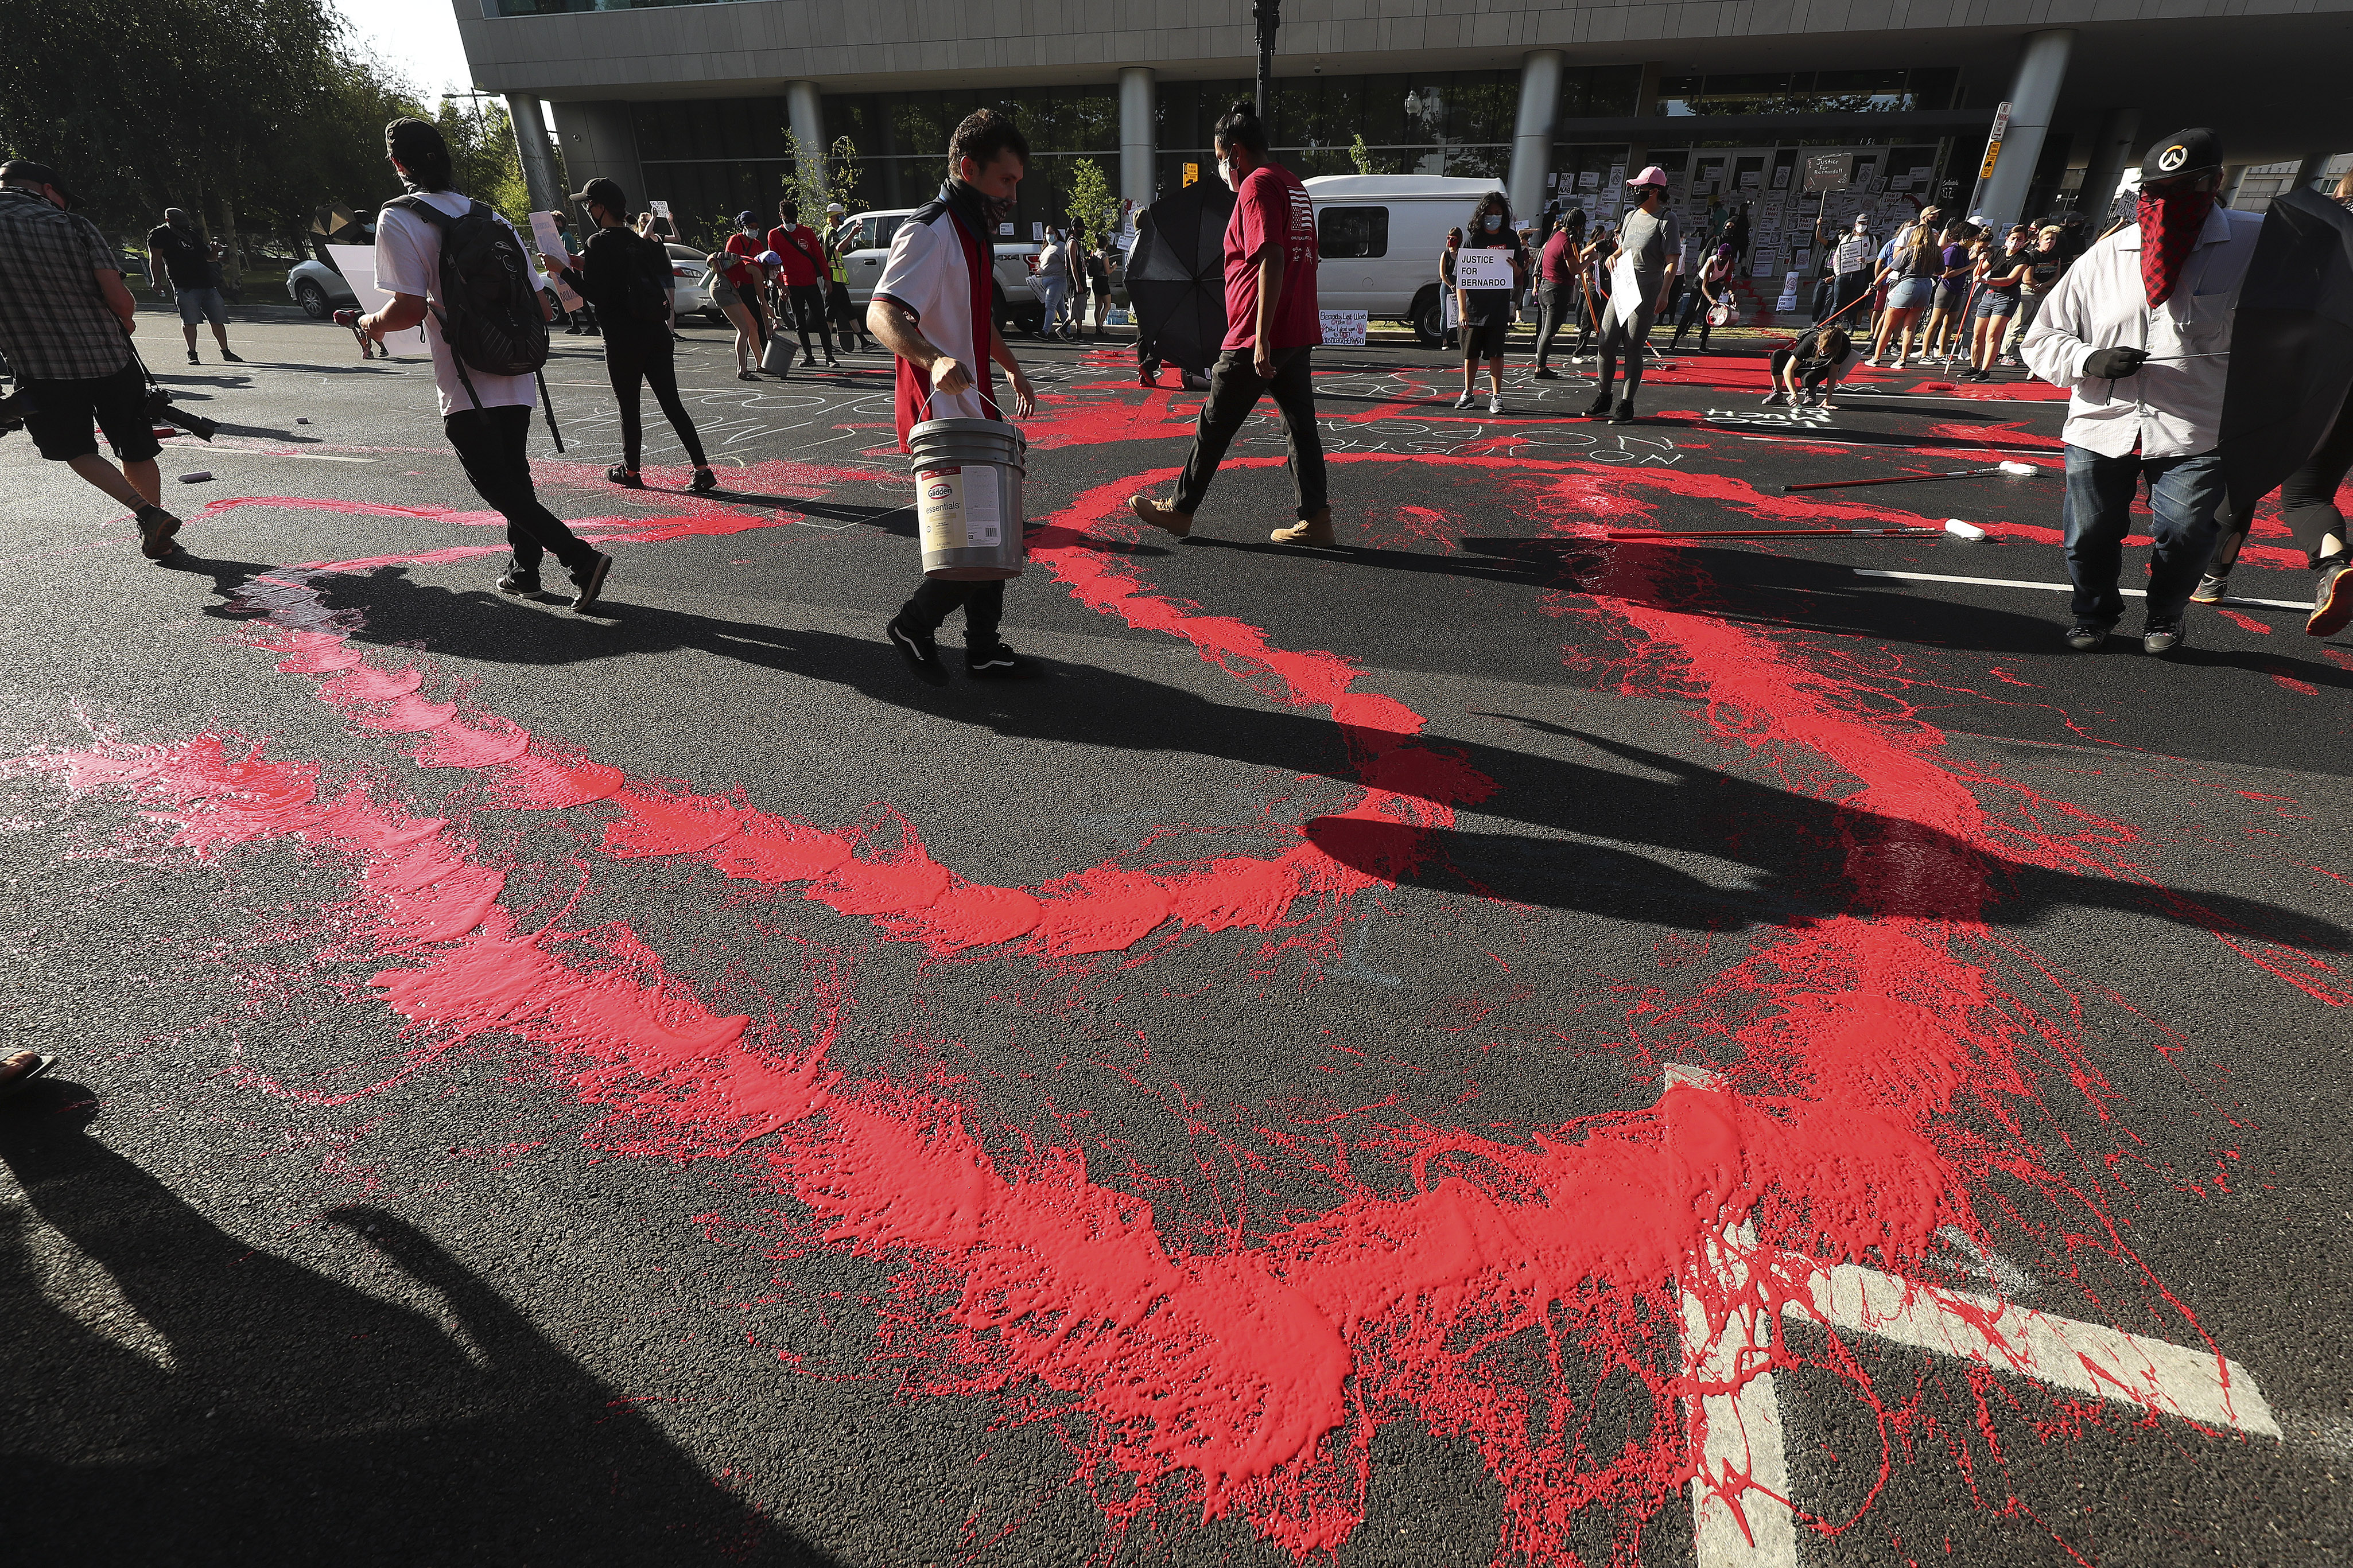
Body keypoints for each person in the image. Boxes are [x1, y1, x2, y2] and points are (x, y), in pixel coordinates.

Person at [2021, 127, 2262, 657]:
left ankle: (2166, 611)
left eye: (2186, 190)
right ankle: (2094, 612)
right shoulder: (2105, 257)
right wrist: (2088, 358)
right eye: (2156, 193)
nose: (2167, 205)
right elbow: (2039, 340)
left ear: (2216, 182)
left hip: (2195, 427)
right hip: (2100, 422)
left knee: (2186, 534)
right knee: (2088, 535)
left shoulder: (2256, 242)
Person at [360, 117, 612, 612]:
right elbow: (543, 306)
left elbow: (409, 308)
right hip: (516, 364)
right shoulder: (491, 216)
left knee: (494, 483)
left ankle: (579, 557)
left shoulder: (400, 217)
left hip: (465, 371)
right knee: (515, 476)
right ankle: (525, 570)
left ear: (398, 164)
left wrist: (373, 323)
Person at [865, 108, 1040, 682]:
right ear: (969, 168)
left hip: (974, 407)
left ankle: (983, 646)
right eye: (1005, 180)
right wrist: (933, 358)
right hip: (941, 415)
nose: (1013, 194)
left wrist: (1012, 370)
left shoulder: (973, 232)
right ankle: (913, 623)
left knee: (993, 531)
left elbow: (977, 315)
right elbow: (881, 312)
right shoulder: (931, 229)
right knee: (973, 543)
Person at [1127, 100, 1332, 547]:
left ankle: (1180, 511)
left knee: (1214, 422)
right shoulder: (1291, 184)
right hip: (1295, 329)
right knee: (1300, 425)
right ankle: (1317, 519)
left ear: (1235, 152)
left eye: (1220, 158)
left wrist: (1260, 337)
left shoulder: (1256, 187)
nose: (1221, 168)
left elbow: (1272, 257)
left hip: (1258, 332)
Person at [0, 158, 187, 559]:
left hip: (40, 366)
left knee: (77, 449)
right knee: (135, 445)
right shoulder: (75, 226)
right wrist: (124, 319)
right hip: (110, 357)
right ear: (49, 189)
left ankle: (147, 514)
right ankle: (158, 531)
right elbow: (121, 301)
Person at [541, 177, 719, 495]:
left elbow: (596, 293)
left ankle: (632, 470)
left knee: (629, 405)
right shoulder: (641, 241)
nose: (587, 208)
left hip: (623, 338)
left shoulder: (598, 242)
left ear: (601, 207)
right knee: (672, 403)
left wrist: (562, 268)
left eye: (589, 203)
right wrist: (578, 263)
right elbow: (619, 273)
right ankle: (702, 468)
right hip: (655, 331)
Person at [1585, 166, 1680, 424]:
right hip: (1624, 285)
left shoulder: (1666, 220)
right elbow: (1622, 249)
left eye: (1640, 188)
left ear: (1654, 191)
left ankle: (1626, 403)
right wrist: (1612, 258)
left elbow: (1672, 261)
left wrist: (1665, 292)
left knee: (1633, 346)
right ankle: (1605, 396)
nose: (1636, 192)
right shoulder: (1630, 216)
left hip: (1649, 289)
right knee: (1605, 341)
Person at [1452, 190, 1527, 415]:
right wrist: (1462, 311)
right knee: (1470, 354)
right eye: (1490, 213)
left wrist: (1515, 269)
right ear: (1482, 214)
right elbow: (1462, 278)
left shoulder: (1511, 238)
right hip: (1475, 308)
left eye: (1498, 213)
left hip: (1498, 307)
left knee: (1497, 353)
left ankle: (1497, 397)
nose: (1493, 217)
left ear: (1503, 215)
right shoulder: (1473, 239)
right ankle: (1468, 393)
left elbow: (1519, 273)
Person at [145, 207, 239, 365]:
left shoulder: (192, 235)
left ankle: (226, 352)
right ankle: (192, 354)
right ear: (169, 221)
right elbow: (155, 260)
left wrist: (215, 250)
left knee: (218, 320)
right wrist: (157, 281)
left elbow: (209, 258)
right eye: (180, 223)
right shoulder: (159, 235)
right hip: (184, 285)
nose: (184, 226)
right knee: (190, 321)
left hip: (206, 284)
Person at [1865, 207, 1942, 367]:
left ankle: (1876, 358)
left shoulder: (1910, 251)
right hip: (1926, 286)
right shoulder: (1936, 251)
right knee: (1910, 328)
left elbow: (1888, 269)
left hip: (1909, 284)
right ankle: (1902, 360)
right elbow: (1940, 271)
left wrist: (1874, 284)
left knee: (1888, 324)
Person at [767, 200, 835, 368]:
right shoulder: (774, 235)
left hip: (811, 283)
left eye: (792, 218)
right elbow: (775, 263)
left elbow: (819, 256)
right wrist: (781, 287)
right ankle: (809, 356)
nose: (790, 222)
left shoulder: (807, 232)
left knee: (821, 320)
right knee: (800, 323)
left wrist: (827, 279)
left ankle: (829, 356)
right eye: (786, 218)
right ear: (780, 216)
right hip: (792, 284)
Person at [705, 211, 767, 380]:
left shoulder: (757, 254)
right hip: (723, 286)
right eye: (751, 227)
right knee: (744, 328)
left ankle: (761, 364)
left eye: (756, 227)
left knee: (753, 325)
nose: (754, 230)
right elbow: (731, 267)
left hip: (734, 287)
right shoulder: (751, 263)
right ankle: (742, 369)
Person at [1962, 228, 2030, 382]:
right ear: (2007, 238)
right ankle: (1974, 367)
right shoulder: (1998, 253)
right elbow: (1978, 274)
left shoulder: (2024, 258)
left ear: (2024, 241)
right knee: (1978, 333)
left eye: (2020, 239)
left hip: (2006, 297)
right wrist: (1980, 262)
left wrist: (1986, 281)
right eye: (2013, 238)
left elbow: (2010, 280)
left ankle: (1985, 371)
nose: (2015, 242)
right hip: (1989, 295)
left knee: (1992, 335)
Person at [2003, 224, 2066, 366]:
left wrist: (2045, 287)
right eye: (2047, 239)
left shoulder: (2056, 256)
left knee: (2036, 325)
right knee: (2017, 323)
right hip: (2027, 292)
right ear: (2040, 240)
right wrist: (2039, 287)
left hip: (2043, 293)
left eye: (2053, 239)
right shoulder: (2032, 255)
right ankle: (2006, 354)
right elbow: (2027, 278)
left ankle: (2030, 354)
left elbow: (2057, 275)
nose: (2050, 242)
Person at [1531, 211, 1582, 378]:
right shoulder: (1566, 242)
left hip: (1547, 287)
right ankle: (1541, 367)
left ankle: (1541, 363)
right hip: (1557, 289)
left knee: (1546, 329)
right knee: (1550, 331)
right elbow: (1574, 269)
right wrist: (1589, 261)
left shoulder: (1554, 237)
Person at [1761, 323, 1855, 410]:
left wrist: (1828, 398)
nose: (1822, 352)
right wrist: (1794, 394)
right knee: (1778, 355)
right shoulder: (1810, 342)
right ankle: (1777, 393)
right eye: (1821, 349)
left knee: (1809, 379)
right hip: (1803, 363)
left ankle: (1810, 391)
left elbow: (1833, 372)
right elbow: (1788, 370)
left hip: (1821, 367)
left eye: (1827, 351)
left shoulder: (1844, 346)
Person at [822, 203, 871, 353]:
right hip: (834, 278)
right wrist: (853, 233)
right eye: (840, 215)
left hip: (837, 279)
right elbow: (839, 248)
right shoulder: (831, 232)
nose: (843, 217)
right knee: (830, 313)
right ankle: (827, 346)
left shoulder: (827, 231)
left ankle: (864, 343)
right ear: (834, 217)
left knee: (849, 311)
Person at [1671, 242, 1734, 352]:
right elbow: (1704, 287)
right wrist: (1711, 298)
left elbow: (1727, 281)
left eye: (1724, 259)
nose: (1721, 261)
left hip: (1715, 283)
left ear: (1728, 257)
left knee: (1709, 313)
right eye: (1720, 258)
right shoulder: (1711, 262)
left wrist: (1731, 294)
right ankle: (1674, 342)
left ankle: (1703, 345)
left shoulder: (1731, 263)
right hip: (1700, 283)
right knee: (1691, 310)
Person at [1820, 212, 1877, 324]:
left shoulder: (1870, 239)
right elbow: (1838, 256)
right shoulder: (1847, 238)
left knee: (1854, 302)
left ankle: (1852, 327)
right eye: (1861, 223)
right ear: (1856, 224)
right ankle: (1830, 324)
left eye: (1865, 223)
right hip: (1843, 274)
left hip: (1859, 273)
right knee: (1838, 302)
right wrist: (1837, 273)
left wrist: (1866, 259)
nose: (1862, 225)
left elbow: (1874, 255)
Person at [1437, 227, 1462, 350]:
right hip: (1447, 286)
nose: (1450, 241)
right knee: (1445, 313)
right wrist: (1450, 285)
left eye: (1453, 239)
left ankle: (1460, 339)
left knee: (1460, 312)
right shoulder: (1445, 254)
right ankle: (1444, 341)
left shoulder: (1462, 254)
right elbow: (1442, 274)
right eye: (1449, 238)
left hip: (1459, 286)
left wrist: (1458, 286)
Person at [1084, 236, 1112, 337]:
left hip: (1095, 281)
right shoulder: (1104, 254)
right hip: (1103, 281)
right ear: (1105, 244)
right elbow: (1108, 270)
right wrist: (1114, 268)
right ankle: (1100, 325)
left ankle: (1098, 326)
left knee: (1098, 306)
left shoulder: (1095, 254)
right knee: (1108, 305)